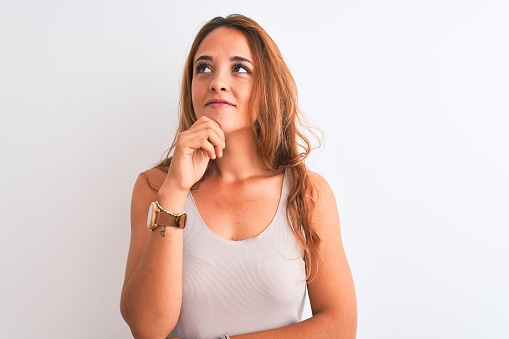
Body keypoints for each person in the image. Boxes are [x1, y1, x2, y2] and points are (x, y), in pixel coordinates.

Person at [120, 14, 357, 339]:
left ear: (265, 89)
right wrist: (174, 192)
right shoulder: (154, 188)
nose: (217, 81)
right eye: (203, 68)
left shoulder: (307, 193)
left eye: (239, 68)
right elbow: (147, 328)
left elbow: (340, 325)